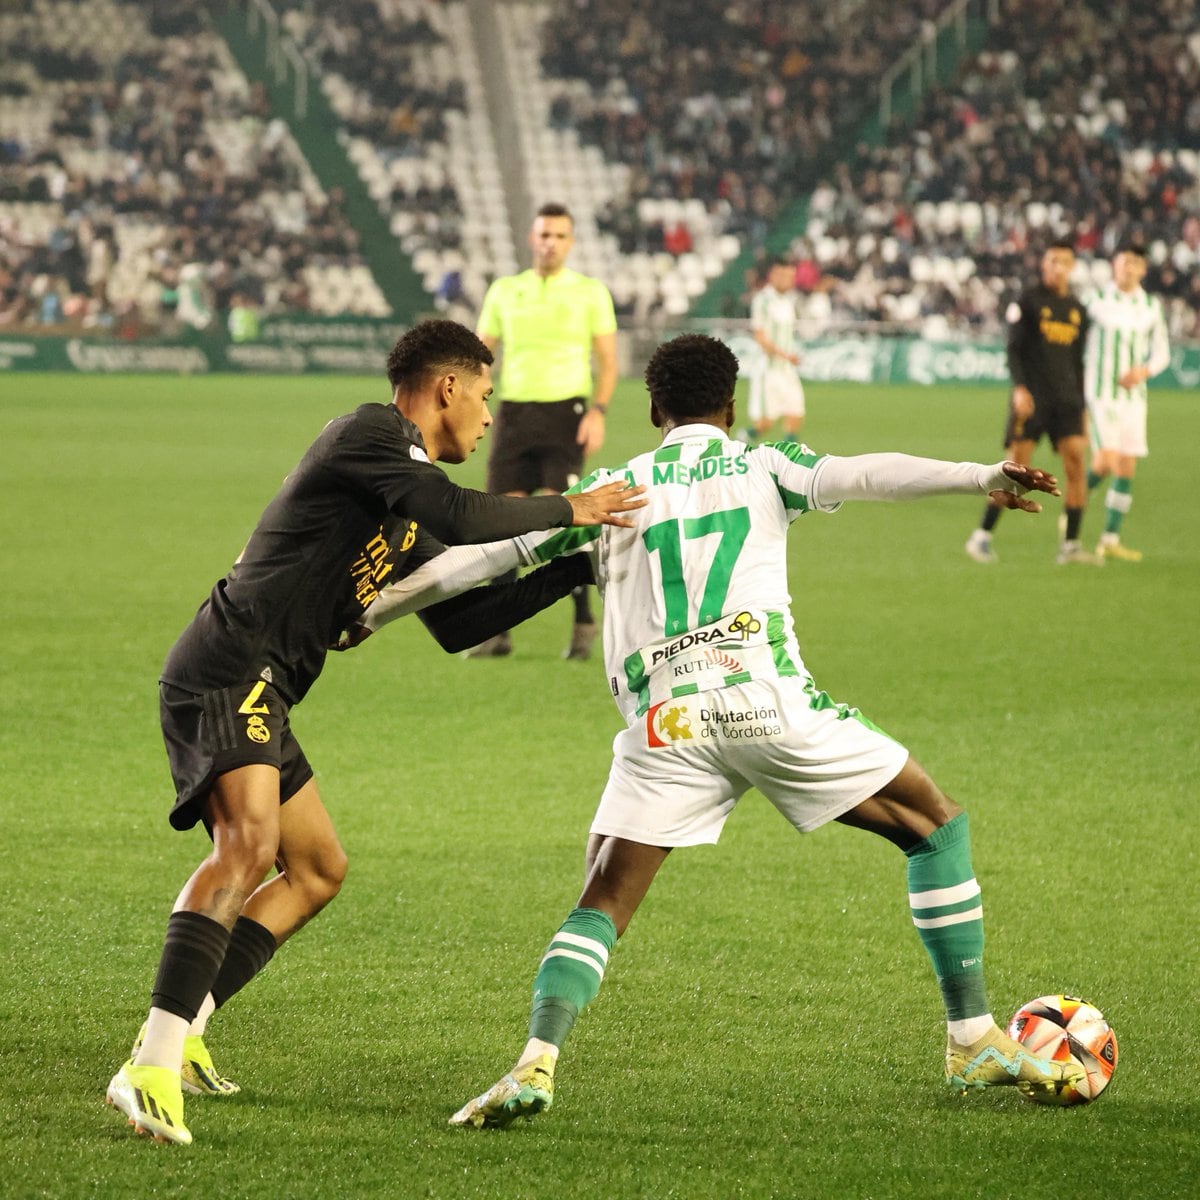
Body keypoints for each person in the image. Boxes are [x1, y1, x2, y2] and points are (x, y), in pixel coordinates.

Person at [353, 333, 1083, 1128]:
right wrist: (981, 475)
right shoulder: (765, 466)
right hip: (767, 703)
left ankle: (536, 1060)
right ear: (731, 409)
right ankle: (972, 1036)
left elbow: (484, 559)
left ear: (654, 408)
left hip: (667, 722)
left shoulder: (613, 488)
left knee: (602, 894)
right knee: (934, 828)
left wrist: (368, 613)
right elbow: (870, 472)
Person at [104, 319, 645, 1146]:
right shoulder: (370, 436)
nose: (490, 418)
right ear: (448, 388)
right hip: (228, 666)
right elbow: (461, 515)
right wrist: (572, 506)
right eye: (487, 398)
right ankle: (147, 1063)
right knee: (247, 848)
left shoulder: (401, 499)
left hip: (268, 686)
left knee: (316, 869)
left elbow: (461, 620)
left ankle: (186, 1030)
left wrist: (580, 563)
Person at [466, 202, 618, 661]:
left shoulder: (590, 293)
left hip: (565, 414)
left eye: (559, 236)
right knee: (499, 521)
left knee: (562, 518)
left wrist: (598, 412)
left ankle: (582, 622)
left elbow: (608, 363)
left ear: (570, 243)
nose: (550, 243)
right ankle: (497, 631)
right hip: (514, 414)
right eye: (544, 235)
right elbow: (478, 355)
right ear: (532, 239)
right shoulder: (505, 291)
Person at [965, 240, 1098, 565]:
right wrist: (1020, 389)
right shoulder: (1028, 301)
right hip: (1033, 399)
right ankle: (981, 536)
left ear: (1072, 266)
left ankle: (1070, 546)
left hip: (1067, 402)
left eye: (1063, 261)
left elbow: (1079, 361)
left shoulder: (1078, 309)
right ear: (1043, 265)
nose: (1057, 267)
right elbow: (1013, 349)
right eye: (1052, 261)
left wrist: (1082, 406)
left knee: (1076, 467)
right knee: (1016, 469)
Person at [1082, 244, 1170, 562]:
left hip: (1134, 398)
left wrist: (1144, 370)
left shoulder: (1150, 305)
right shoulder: (1094, 301)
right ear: (1113, 266)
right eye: (1123, 262)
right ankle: (1075, 504)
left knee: (1126, 466)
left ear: (1143, 269)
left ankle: (1110, 538)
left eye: (1135, 263)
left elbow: (1162, 351)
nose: (1128, 268)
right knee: (1104, 461)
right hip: (1100, 394)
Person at [745, 257, 805, 443]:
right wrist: (786, 355)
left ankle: (789, 464)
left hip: (787, 369)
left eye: (791, 276)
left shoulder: (787, 301)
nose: (790, 280)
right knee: (764, 425)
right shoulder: (763, 301)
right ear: (774, 275)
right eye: (786, 276)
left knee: (795, 415)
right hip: (768, 370)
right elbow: (760, 337)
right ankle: (737, 447)